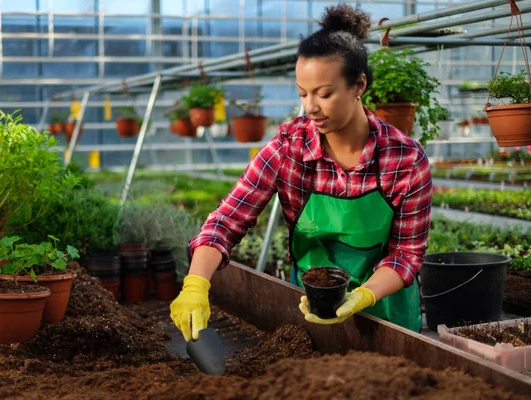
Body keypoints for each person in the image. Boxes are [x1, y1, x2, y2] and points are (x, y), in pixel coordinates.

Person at [170, 3, 432, 341]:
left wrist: (363, 295)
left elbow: (407, 253)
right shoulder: (288, 149)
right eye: (302, 93)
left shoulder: (405, 159)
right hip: (310, 310)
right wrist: (196, 283)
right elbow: (227, 220)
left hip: (387, 317)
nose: (310, 107)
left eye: (324, 94)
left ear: (358, 85)